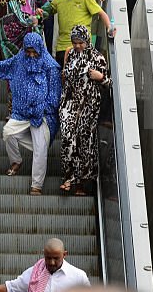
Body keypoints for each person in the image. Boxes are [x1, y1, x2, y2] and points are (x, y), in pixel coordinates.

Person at [0, 33, 61, 196]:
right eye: (28, 51)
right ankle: (16, 161)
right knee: (8, 132)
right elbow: (7, 65)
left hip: (43, 115)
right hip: (22, 112)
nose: (31, 55)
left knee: (40, 148)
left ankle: (36, 185)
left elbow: (54, 97)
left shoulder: (50, 67)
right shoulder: (20, 59)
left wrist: (41, 109)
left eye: (34, 52)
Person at [58, 25, 110, 196]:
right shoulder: (70, 54)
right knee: (67, 138)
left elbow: (110, 83)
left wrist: (101, 77)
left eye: (80, 42)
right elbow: (65, 76)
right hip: (70, 103)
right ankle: (69, 177)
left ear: (87, 40)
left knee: (84, 142)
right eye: (75, 42)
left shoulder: (98, 58)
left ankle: (81, 183)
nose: (78, 46)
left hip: (89, 105)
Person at [39, 0, 115, 63]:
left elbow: (101, 13)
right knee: (63, 76)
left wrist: (109, 27)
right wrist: (40, 12)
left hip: (81, 47)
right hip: (62, 47)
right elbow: (47, 12)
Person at [0, 238, 90, 292]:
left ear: (65, 255)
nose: (51, 262)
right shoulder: (34, 273)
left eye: (56, 258)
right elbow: (12, 287)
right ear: (43, 254)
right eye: (48, 258)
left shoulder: (78, 276)